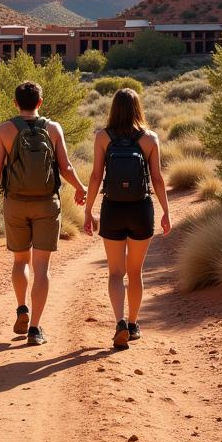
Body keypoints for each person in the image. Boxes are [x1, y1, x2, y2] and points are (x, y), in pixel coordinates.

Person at [0, 79, 87, 345]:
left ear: (15, 103)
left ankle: (21, 308)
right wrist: (80, 188)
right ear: (40, 102)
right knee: (42, 267)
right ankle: (36, 329)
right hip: (46, 204)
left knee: (20, 261)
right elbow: (65, 167)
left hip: (15, 203)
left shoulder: (4, 130)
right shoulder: (52, 128)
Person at [83, 87, 170, 349]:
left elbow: (96, 177)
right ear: (138, 108)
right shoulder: (150, 138)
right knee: (135, 272)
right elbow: (156, 179)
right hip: (141, 209)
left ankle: (119, 321)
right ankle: (133, 324)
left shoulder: (102, 137)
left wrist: (88, 211)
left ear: (113, 109)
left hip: (112, 209)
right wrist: (166, 211)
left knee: (115, 272)